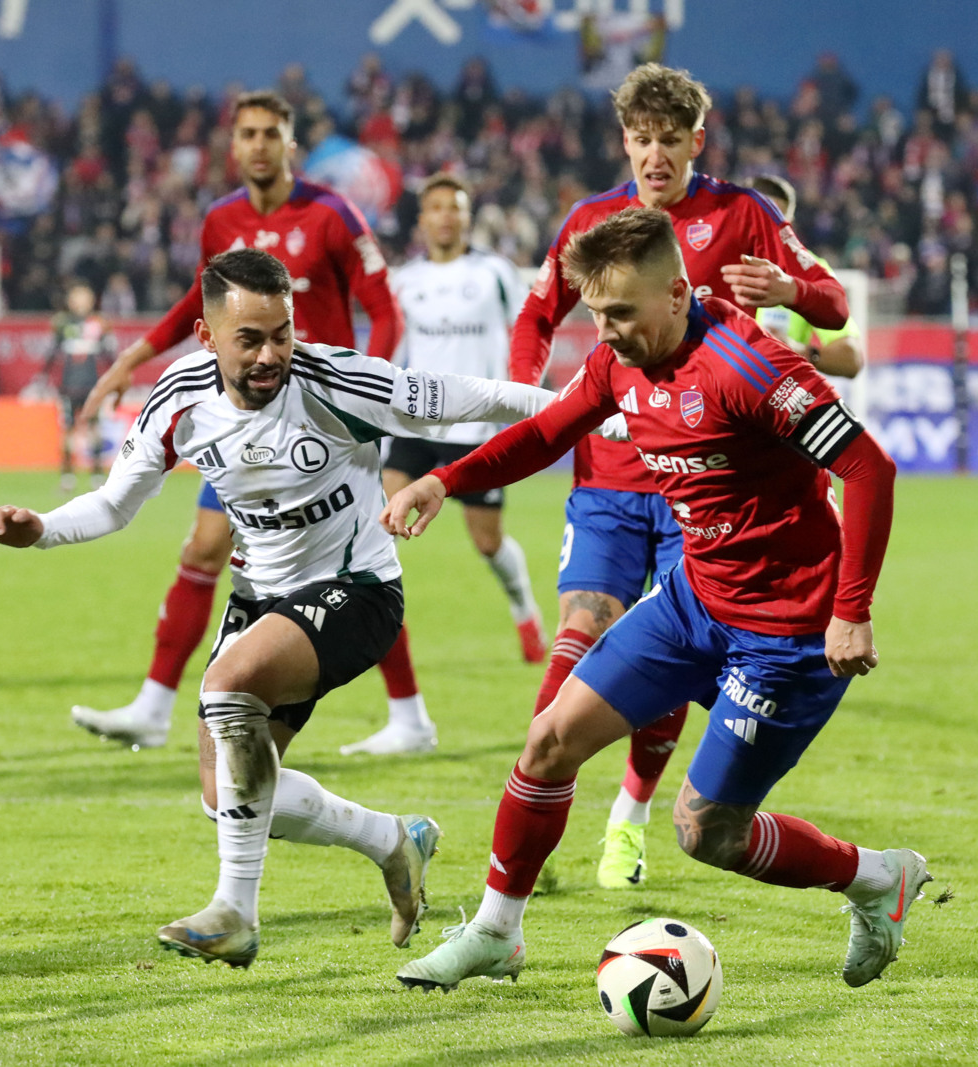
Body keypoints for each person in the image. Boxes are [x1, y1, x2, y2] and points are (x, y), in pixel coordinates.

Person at [0, 248, 628, 967]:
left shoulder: (335, 381)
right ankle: (393, 840)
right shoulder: (178, 400)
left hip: (360, 592)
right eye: (249, 339)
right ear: (206, 335)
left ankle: (235, 911)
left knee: (225, 687)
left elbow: (480, 397)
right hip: (260, 598)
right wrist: (40, 528)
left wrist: (605, 412)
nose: (270, 354)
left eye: (281, 333)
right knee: (226, 793)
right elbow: (112, 503)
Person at [384, 208, 927, 993]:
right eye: (597, 314)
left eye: (622, 314)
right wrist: (445, 478)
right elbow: (545, 434)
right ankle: (497, 930)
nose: (605, 332)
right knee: (548, 742)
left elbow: (870, 467)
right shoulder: (615, 363)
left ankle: (876, 876)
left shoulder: (750, 368)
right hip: (694, 602)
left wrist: (853, 607)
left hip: (788, 631)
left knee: (707, 833)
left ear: (677, 293)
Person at [510, 63, 851, 891]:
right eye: (641, 138)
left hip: (700, 488)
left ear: (697, 141)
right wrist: (528, 398)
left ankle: (626, 817)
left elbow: (835, 309)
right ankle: (534, 821)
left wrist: (791, 287)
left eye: (671, 138)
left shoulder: (743, 213)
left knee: (669, 663)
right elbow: (536, 313)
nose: (655, 154)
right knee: (579, 634)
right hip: (607, 474)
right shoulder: (590, 223)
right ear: (624, 142)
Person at [71, 90, 416, 751]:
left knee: (351, 566)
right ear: (233, 146)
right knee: (206, 546)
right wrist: (133, 359)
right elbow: (192, 303)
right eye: (247, 133)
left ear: (290, 144)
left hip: (322, 420)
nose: (258, 144)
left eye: (271, 133)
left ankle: (408, 713)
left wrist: (369, 400)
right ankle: (154, 702)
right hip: (248, 415)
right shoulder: (220, 220)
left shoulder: (332, 214)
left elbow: (386, 308)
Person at [344, 173, 547, 757]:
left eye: (455, 208)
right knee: (379, 529)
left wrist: (516, 399)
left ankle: (523, 608)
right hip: (411, 423)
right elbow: (396, 348)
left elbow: (521, 335)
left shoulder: (494, 274)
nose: (445, 218)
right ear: (423, 219)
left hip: (475, 423)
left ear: (467, 216)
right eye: (435, 208)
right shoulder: (405, 281)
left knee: (487, 542)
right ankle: (390, 668)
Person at [748, 176, 865, 378]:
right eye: (757, 217)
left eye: (775, 221)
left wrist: (799, 351)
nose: (765, 229)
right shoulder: (704, 256)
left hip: (772, 401)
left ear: (788, 226)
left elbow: (851, 358)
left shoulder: (809, 270)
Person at [45, 280, 116, 492]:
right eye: (77, 297)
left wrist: (114, 379)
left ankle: (97, 475)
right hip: (68, 386)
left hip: (91, 386)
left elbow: (109, 356)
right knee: (67, 430)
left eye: (84, 297)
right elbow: (51, 354)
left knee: (94, 428)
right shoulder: (62, 324)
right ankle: (67, 476)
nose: (81, 302)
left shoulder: (99, 324)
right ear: (70, 301)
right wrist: (42, 380)